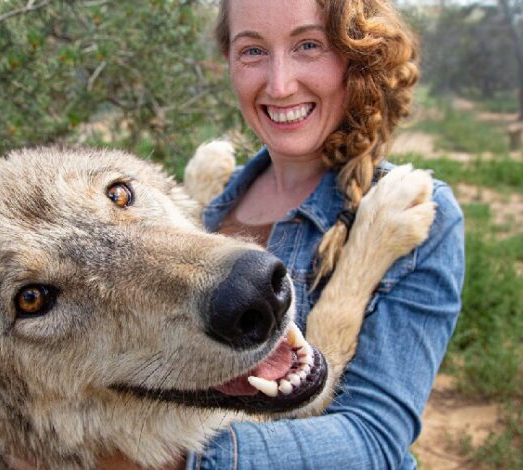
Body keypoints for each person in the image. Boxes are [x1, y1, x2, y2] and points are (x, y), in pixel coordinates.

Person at [184, 0, 465, 468]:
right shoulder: (204, 213)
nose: (279, 84)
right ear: (229, 62)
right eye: (252, 51)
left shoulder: (414, 212)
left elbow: (372, 442)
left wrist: (173, 460)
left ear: (357, 55)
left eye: (308, 45)